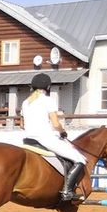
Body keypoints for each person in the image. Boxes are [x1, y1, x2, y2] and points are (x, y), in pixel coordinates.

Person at [20, 71, 84, 202]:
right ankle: (67, 191)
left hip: (28, 140)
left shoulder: (25, 102)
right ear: (48, 87)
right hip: (45, 139)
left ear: (33, 87)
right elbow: (55, 124)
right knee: (80, 159)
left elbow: (21, 124)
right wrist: (62, 131)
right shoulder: (48, 100)